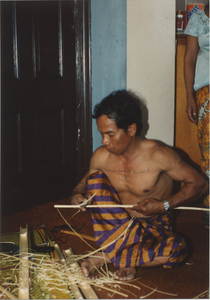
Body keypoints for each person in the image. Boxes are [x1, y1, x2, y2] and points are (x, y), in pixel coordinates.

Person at [70, 90, 208, 281]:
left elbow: (200, 184)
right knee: (95, 180)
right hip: (117, 225)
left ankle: (103, 257)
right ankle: (130, 256)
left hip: (152, 226)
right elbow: (82, 184)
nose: (104, 141)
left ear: (131, 129)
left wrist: (164, 205)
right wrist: (78, 195)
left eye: (110, 134)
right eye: (102, 134)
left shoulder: (160, 155)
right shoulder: (101, 156)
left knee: (177, 249)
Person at [184, 4, 209, 228]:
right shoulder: (197, 19)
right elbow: (190, 58)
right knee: (208, 147)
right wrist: (190, 96)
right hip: (206, 91)